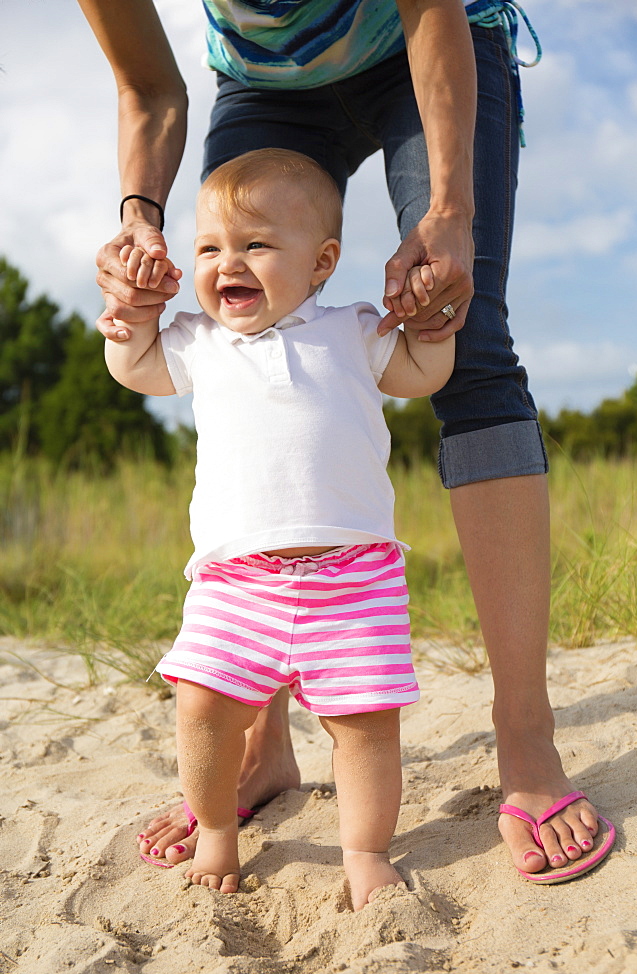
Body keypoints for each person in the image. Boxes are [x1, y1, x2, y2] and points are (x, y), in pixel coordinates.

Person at [78, 0, 614, 883]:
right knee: (239, 285)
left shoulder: (355, 330)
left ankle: (526, 741)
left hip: (422, 42)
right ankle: (261, 748)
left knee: (467, 337)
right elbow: (147, 84)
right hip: (265, 81)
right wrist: (140, 220)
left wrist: (449, 212)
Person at [104, 148, 456, 908]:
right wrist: (133, 313)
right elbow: (135, 367)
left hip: (353, 578)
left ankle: (364, 850)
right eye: (209, 248)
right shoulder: (200, 339)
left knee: (366, 729)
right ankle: (217, 830)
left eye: (256, 244)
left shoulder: (353, 330)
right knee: (201, 708)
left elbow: (420, 376)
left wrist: (433, 321)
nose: (227, 262)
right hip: (238, 582)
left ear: (322, 260)